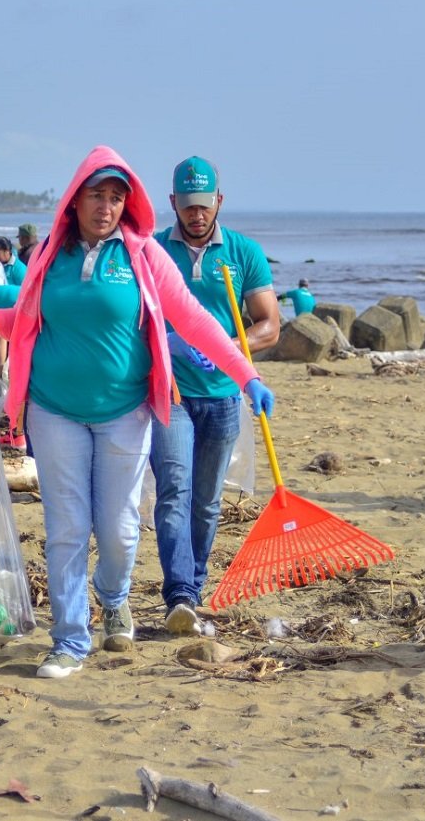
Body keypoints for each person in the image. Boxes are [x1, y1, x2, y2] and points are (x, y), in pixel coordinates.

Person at [0, 147, 275, 680]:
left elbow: (192, 320)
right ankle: (70, 639)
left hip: (126, 411)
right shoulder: (50, 255)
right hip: (54, 411)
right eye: (97, 195)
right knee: (66, 528)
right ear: (76, 200)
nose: (107, 206)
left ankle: (113, 595)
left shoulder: (143, 255)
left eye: (117, 197)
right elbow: (28, 318)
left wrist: (246, 375)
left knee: (120, 530)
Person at [149, 156, 282, 635]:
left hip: (225, 396)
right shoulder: (155, 250)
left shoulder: (244, 252)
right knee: (173, 494)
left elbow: (269, 324)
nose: (196, 215)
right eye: (188, 206)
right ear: (173, 204)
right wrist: (170, 343)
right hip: (172, 393)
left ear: (219, 202)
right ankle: (180, 593)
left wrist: (227, 348)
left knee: (205, 502)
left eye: (204, 206)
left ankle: (196, 585)